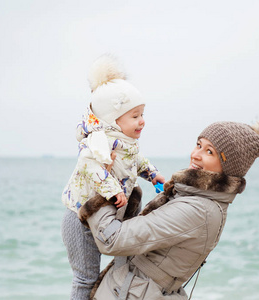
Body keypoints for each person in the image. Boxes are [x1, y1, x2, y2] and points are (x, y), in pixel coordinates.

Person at [79, 119, 259, 299]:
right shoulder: (195, 198)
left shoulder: (198, 210)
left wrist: (103, 186)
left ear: (228, 168)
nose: (196, 154)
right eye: (198, 144)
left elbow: (112, 240)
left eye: (209, 151)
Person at [61, 54, 165, 299]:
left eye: (142, 114)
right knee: (85, 278)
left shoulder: (126, 143)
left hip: (110, 217)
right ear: (112, 119)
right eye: (135, 116)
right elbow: (90, 166)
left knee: (122, 270)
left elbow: (135, 161)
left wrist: (152, 174)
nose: (142, 121)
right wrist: (111, 190)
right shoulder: (97, 143)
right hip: (81, 219)